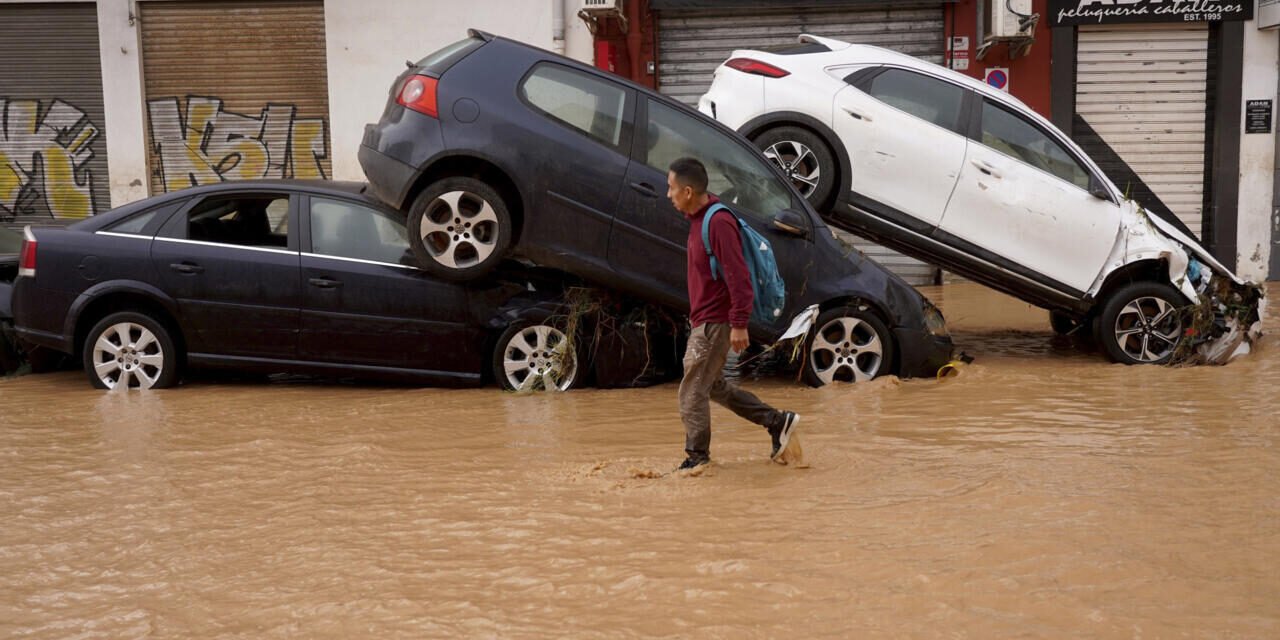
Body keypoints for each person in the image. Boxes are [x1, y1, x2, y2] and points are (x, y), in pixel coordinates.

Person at [667, 157, 799, 471]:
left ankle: (696, 459)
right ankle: (777, 422)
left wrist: (739, 324)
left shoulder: (718, 222)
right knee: (711, 387)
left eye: (671, 188)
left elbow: (739, 277)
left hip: (715, 322)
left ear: (687, 191)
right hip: (705, 320)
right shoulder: (699, 220)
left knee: (692, 390)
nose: (668, 194)